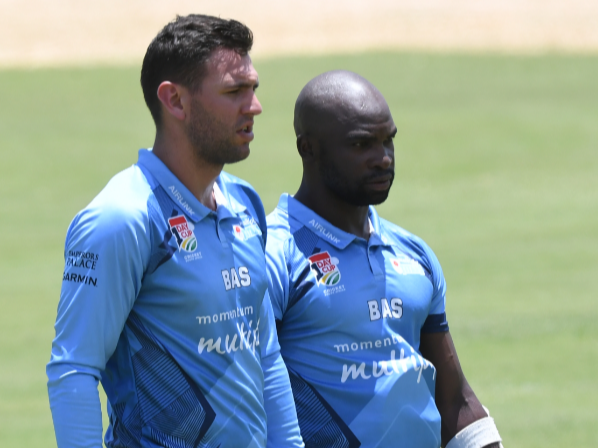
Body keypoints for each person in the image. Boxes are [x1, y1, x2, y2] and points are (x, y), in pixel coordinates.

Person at [47, 14, 303, 448]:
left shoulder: (244, 204)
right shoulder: (122, 218)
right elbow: (74, 369)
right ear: (175, 101)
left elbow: (264, 351)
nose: (254, 106)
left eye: (253, 89)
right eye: (234, 91)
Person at [266, 70, 503, 448]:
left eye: (388, 141)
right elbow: (249, 393)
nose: (383, 159)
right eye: (361, 145)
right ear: (307, 148)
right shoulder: (273, 254)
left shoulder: (413, 253)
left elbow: (454, 399)